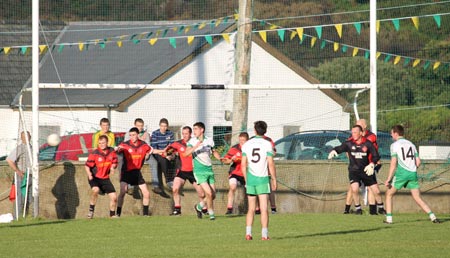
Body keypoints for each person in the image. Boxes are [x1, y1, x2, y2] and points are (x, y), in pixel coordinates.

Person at [383, 125, 440, 224]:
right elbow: (418, 162)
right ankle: (433, 216)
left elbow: (393, 163)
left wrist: (388, 179)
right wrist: (412, 169)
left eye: (391, 133)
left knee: (388, 194)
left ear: (396, 133)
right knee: (417, 197)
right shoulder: (411, 144)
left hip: (402, 173)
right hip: (413, 173)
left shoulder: (394, 145)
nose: (391, 135)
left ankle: (389, 219)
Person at [328, 125, 383, 215]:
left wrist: (372, 164)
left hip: (366, 170)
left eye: (355, 132)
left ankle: (381, 207)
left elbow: (376, 155)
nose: (353, 134)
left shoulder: (368, 143)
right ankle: (358, 208)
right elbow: (340, 148)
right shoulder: (349, 143)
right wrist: (334, 151)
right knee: (354, 189)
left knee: (376, 190)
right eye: (352, 132)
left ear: (361, 133)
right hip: (354, 171)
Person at [115, 127, 163, 216]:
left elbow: (153, 151)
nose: (132, 137)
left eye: (133, 135)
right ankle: (117, 214)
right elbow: (118, 148)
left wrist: (162, 151)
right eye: (130, 135)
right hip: (126, 172)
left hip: (137, 173)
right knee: (122, 192)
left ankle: (145, 214)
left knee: (146, 193)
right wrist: (117, 149)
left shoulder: (144, 145)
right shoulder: (125, 145)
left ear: (137, 135)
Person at [242, 121, 277, 241]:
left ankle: (248, 233)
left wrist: (246, 180)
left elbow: (243, 164)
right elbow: (271, 163)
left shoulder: (247, 144)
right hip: (262, 179)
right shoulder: (267, 144)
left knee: (251, 208)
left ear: (255, 130)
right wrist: (274, 179)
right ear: (265, 131)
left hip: (251, 179)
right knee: (263, 208)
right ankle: (264, 235)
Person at [343, 119, 385, 215]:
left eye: (359, 125)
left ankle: (373, 211)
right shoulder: (353, 137)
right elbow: (347, 147)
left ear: (364, 127)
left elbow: (369, 148)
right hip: (357, 167)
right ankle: (347, 210)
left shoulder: (371, 137)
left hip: (369, 165)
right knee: (353, 188)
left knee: (371, 188)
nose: (356, 127)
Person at [185, 122, 221, 220]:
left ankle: (199, 207)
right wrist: (195, 147)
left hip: (209, 169)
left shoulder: (209, 140)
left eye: (196, 129)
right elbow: (186, 153)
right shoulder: (192, 141)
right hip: (199, 171)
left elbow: (214, 152)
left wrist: (220, 158)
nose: (194, 131)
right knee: (208, 193)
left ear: (202, 130)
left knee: (213, 195)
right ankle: (211, 215)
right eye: (194, 129)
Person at [166, 126, 206, 216]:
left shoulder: (195, 143)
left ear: (190, 134)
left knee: (202, 193)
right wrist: (169, 154)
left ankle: (203, 209)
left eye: (186, 134)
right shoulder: (178, 143)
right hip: (182, 171)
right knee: (175, 189)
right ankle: (177, 210)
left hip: (194, 171)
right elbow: (169, 150)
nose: (184, 135)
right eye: (183, 134)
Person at [85, 135, 118, 218]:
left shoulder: (112, 152)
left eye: (103, 143)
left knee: (114, 197)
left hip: (105, 178)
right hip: (94, 177)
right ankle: (91, 211)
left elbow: (114, 162)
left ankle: (112, 216)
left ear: (107, 142)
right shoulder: (95, 153)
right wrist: (89, 174)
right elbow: (87, 166)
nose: (101, 144)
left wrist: (112, 168)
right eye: (99, 143)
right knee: (95, 190)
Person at [221, 132, 249, 215]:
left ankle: (257, 210)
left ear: (247, 140)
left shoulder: (250, 149)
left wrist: (239, 159)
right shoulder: (234, 149)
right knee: (232, 187)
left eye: (243, 140)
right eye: (240, 140)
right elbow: (227, 160)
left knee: (252, 191)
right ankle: (229, 209)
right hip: (235, 172)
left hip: (247, 173)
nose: (241, 142)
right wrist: (229, 160)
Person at [7, 131, 32, 218]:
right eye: (24, 137)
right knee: (20, 198)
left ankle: (28, 216)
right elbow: (9, 160)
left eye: (28, 136)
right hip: (22, 176)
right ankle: (17, 217)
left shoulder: (32, 148)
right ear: (21, 138)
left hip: (31, 176)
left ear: (30, 137)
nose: (26, 138)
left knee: (30, 198)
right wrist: (17, 171)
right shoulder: (20, 148)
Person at [150, 118, 175, 193]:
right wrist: (163, 154)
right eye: (162, 126)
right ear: (159, 126)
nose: (163, 128)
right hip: (157, 153)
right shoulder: (155, 133)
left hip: (167, 152)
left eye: (165, 126)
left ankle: (176, 180)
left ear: (167, 126)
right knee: (163, 160)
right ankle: (168, 180)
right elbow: (154, 148)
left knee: (174, 160)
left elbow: (171, 146)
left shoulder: (170, 133)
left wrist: (169, 154)